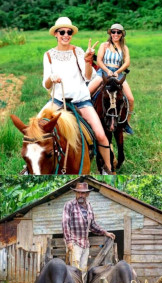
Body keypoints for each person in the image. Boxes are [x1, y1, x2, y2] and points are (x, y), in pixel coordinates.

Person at [42, 17, 114, 175]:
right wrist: (51, 78)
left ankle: (108, 169)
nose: (66, 35)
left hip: (81, 101)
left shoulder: (78, 51)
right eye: (62, 32)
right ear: (55, 33)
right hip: (58, 101)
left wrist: (88, 60)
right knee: (35, 129)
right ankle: (31, 167)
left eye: (69, 32)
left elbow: (88, 77)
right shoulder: (48, 55)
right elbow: (46, 84)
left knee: (101, 135)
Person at [88, 23, 134, 135]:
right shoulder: (104, 45)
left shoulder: (124, 48)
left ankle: (126, 123)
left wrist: (117, 72)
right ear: (110, 33)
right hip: (104, 71)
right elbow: (99, 60)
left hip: (118, 73)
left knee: (130, 99)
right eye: (113, 32)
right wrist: (107, 71)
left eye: (118, 32)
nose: (115, 34)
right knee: (87, 92)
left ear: (122, 34)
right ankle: (88, 118)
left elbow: (127, 62)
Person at [62, 182, 115, 278]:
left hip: (85, 244)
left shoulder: (89, 206)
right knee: (74, 269)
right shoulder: (69, 205)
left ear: (87, 194)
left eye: (83, 193)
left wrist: (105, 232)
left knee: (83, 269)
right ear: (75, 193)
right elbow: (65, 224)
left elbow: (93, 225)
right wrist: (69, 241)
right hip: (74, 243)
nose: (80, 195)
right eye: (78, 193)